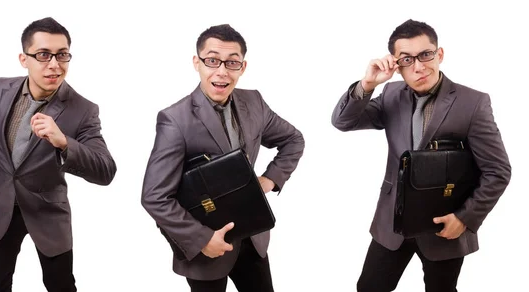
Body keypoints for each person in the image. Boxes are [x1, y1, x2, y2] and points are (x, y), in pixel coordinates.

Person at [331, 19, 511, 292]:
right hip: (392, 221)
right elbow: (343, 122)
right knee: (369, 287)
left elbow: (498, 171)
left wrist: (464, 217)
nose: (418, 66)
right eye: (407, 59)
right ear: (396, 64)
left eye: (425, 55)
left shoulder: (473, 103)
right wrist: (367, 85)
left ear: (439, 54)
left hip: (444, 224)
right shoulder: (391, 94)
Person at [0, 17, 117, 292]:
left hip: (48, 210)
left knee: (61, 285)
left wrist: (63, 141)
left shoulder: (83, 110)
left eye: (62, 55)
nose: (55, 64)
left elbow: (105, 171)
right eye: (43, 55)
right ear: (24, 58)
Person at [141, 24, 305, 292]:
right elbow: (154, 196)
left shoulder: (254, 102)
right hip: (206, 245)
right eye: (212, 60)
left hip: (253, 237)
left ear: (243, 67)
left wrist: (269, 180)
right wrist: (203, 239)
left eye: (232, 63)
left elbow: (293, 140)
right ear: (197, 63)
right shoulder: (174, 120)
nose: (222, 71)